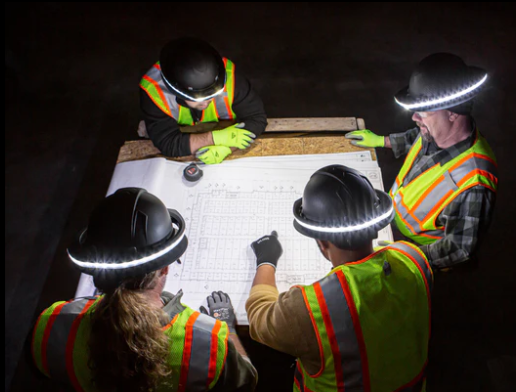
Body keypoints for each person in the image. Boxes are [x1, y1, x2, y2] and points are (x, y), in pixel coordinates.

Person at [31, 188, 257, 391]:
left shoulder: (50, 326)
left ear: (97, 270)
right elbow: (247, 382)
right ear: (165, 268)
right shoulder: (210, 343)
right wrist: (228, 327)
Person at [246, 165, 433, 391]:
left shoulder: (311, 308)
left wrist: (267, 260)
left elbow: (259, 317)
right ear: (374, 227)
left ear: (322, 242)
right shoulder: (413, 258)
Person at [345, 53, 498, 269]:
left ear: (453, 113)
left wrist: (407, 256)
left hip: (424, 259)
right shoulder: (436, 131)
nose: (415, 118)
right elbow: (415, 138)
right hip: (394, 226)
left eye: (423, 112)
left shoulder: (474, 181)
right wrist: (381, 141)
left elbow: (459, 248)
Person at [140, 37, 267, 164]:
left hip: (219, 126)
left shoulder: (230, 77)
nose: (206, 103)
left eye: (212, 95)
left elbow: (257, 119)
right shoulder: (153, 90)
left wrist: (227, 148)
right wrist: (213, 138)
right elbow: (169, 144)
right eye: (197, 99)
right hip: (180, 130)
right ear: (176, 92)